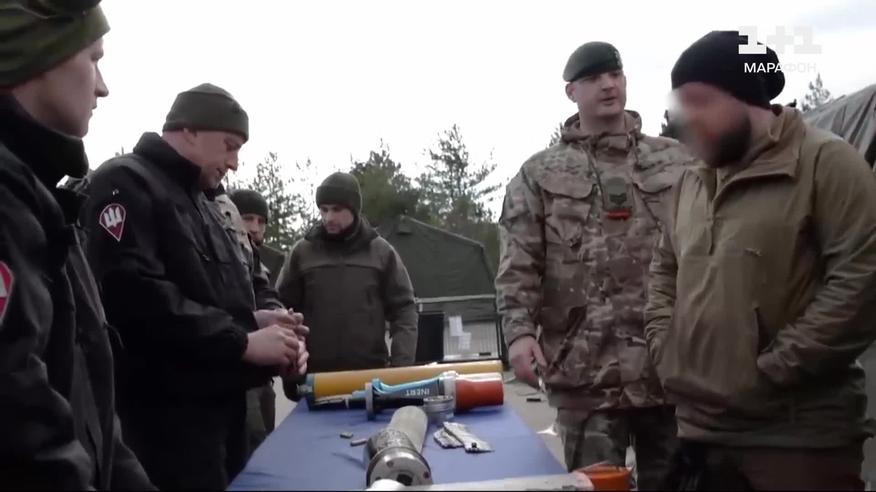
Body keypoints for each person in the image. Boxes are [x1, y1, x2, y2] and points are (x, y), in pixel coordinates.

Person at [646, 31, 876, 490]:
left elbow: (861, 281)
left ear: (747, 96)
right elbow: (664, 273)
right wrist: (666, 352)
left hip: (796, 441)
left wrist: (770, 371)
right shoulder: (690, 182)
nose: (687, 120)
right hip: (699, 433)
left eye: (700, 102)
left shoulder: (826, 163)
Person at [82, 83, 309, 489]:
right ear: (188, 131)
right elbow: (133, 295)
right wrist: (242, 342)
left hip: (223, 418)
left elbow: (227, 288)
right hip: (162, 427)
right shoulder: (125, 182)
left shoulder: (209, 204)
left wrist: (261, 321)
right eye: (229, 146)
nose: (234, 163)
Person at [495, 41, 696, 488]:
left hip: (670, 367)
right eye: (592, 78)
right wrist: (520, 332)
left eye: (614, 75)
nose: (607, 85)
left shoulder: (677, 161)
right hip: (585, 371)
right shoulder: (539, 174)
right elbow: (519, 263)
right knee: (595, 485)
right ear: (571, 92)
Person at [0, 1, 154, 488]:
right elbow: (21, 433)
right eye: (94, 58)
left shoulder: (45, 203)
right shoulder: (9, 205)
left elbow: (91, 415)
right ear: (37, 56)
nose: (103, 87)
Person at [276, 172, 417, 385]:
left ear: (354, 209)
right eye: (324, 210)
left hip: (371, 378)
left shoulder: (381, 252)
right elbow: (281, 311)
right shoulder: (302, 253)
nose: (329, 218)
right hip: (315, 380)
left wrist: (400, 368)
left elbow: (404, 310)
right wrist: (292, 368)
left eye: (337, 209)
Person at [212, 185, 283, 455]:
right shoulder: (220, 252)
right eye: (247, 218)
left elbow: (265, 292)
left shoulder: (260, 260)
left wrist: (280, 315)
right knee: (253, 446)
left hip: (263, 377)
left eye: (261, 221)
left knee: (266, 446)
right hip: (235, 366)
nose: (254, 227)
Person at [229, 188, 287, 286]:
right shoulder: (214, 253)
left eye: (261, 222)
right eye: (248, 219)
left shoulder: (275, 261)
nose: (255, 229)